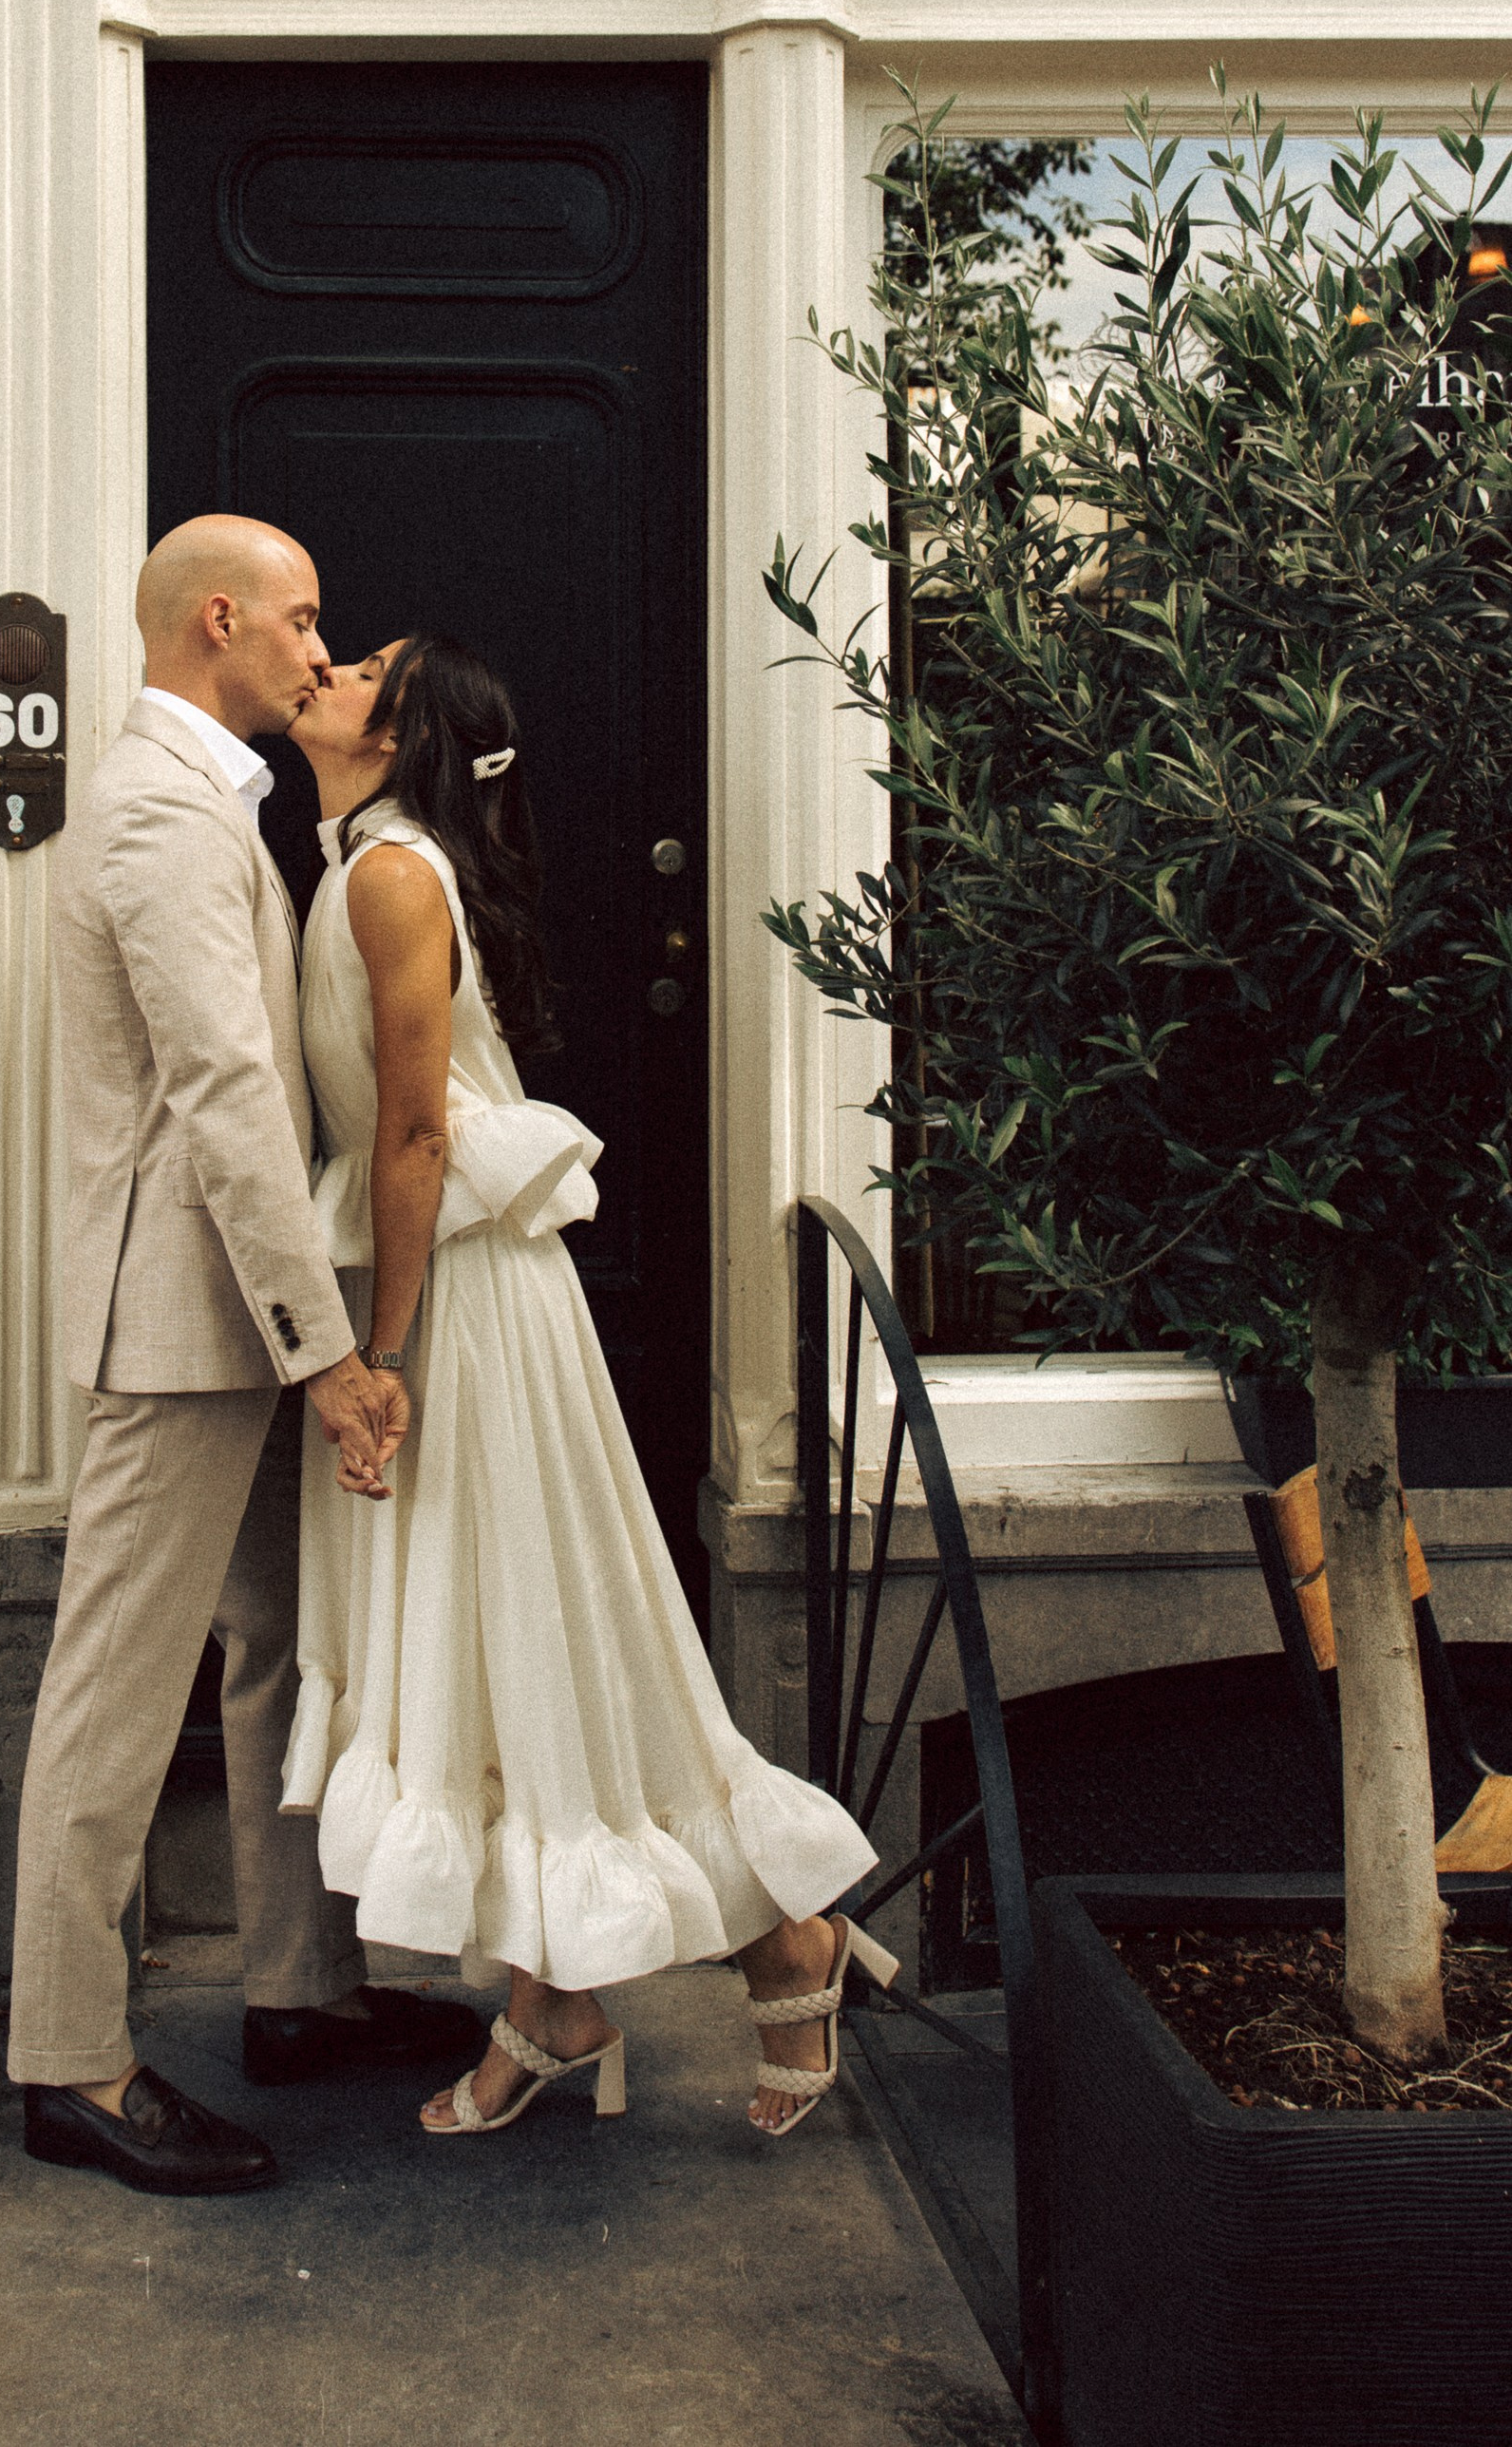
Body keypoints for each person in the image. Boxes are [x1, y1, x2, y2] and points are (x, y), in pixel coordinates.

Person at [282, 634, 890, 2138]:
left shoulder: (389, 875)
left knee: (551, 1623)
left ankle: (773, 1940)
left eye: (361, 668)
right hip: (441, 1287)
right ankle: (564, 1992)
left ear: (403, 735)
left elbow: (417, 1137)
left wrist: (389, 1357)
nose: (328, 668)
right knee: (503, 1641)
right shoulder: (366, 854)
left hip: (463, 1308)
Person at [9, 522, 480, 2197]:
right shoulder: (150, 815)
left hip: (241, 1324)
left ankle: (300, 1989)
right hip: (183, 1328)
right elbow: (220, 1100)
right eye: (301, 616)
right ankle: (68, 2057)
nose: (314, 643)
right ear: (221, 620)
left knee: (281, 1653)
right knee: (116, 1692)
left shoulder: (219, 805)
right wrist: (329, 1354)